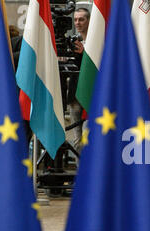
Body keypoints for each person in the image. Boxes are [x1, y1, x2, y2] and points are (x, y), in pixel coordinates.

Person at [67, 7, 90, 154]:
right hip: (75, 95)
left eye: (81, 19)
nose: (78, 22)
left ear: (88, 21)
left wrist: (84, 53)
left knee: (89, 137)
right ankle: (79, 173)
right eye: (75, 19)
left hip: (90, 96)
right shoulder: (73, 42)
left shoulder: (96, 42)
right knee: (77, 140)